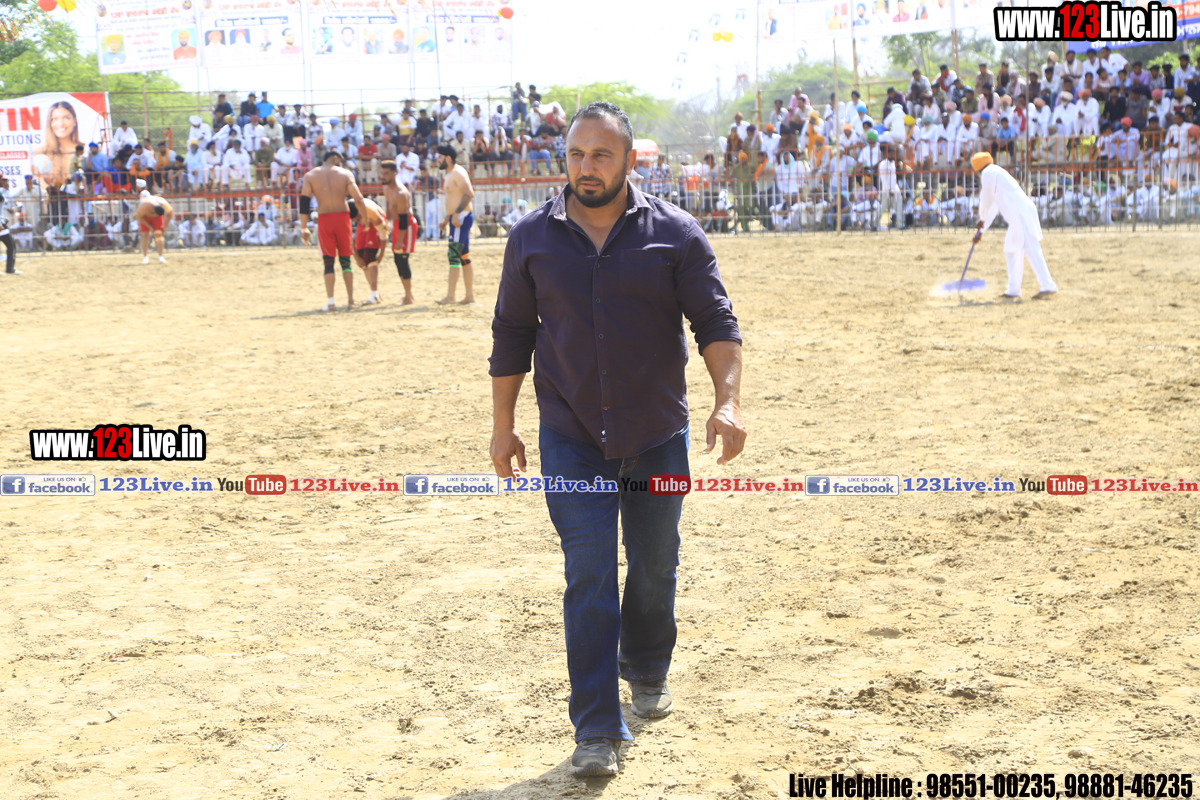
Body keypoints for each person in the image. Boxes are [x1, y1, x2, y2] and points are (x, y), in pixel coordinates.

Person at [488, 101, 745, 778]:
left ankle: (648, 665)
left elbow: (716, 323)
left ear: (630, 160)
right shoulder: (531, 238)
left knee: (655, 565)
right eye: (577, 154)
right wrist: (502, 424)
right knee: (590, 573)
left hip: (658, 433)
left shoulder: (676, 234)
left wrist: (727, 402)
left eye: (601, 155)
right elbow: (511, 334)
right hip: (570, 436)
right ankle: (597, 729)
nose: (587, 167)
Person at [971, 152, 1057, 300]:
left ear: (977, 168)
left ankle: (1048, 285)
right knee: (1011, 249)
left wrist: (981, 218)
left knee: (1032, 249)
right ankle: (1013, 290)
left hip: (1021, 213)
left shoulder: (988, 173)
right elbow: (993, 205)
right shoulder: (995, 173)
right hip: (1019, 216)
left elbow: (986, 199)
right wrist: (982, 229)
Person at [300, 150, 368, 311]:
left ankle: (331, 302)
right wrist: (365, 217)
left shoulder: (310, 176)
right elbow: (358, 199)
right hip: (342, 218)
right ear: (336, 159)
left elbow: (304, 203)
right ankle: (350, 301)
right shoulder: (345, 174)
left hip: (325, 219)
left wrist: (303, 227)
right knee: (346, 261)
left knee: (328, 262)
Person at [435, 144, 475, 305]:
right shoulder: (450, 173)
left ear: (448, 158)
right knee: (464, 257)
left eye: (440, 157)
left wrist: (456, 214)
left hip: (461, 218)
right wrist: (447, 218)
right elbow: (455, 198)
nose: (438, 160)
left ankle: (451, 296)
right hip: (457, 218)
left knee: (453, 255)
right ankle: (469, 296)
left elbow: (469, 193)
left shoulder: (457, 172)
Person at [380, 160, 417, 304]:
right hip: (397, 224)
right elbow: (389, 203)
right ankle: (408, 295)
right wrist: (387, 220)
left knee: (403, 259)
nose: (383, 176)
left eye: (386, 173)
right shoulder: (386, 188)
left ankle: (409, 296)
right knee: (397, 259)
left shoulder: (401, 192)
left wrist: (400, 240)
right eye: (382, 173)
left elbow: (403, 219)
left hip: (406, 226)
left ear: (394, 174)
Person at [36, 100, 82, 189]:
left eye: (66, 118)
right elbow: (41, 187)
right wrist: (44, 178)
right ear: (50, 123)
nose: (61, 123)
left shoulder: (85, 150)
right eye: (55, 119)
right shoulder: (41, 153)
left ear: (74, 121)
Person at [351, 196, 389, 305]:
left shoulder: (373, 215)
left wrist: (381, 254)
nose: (356, 221)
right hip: (365, 217)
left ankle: (374, 294)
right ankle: (375, 293)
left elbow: (383, 233)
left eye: (358, 219)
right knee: (361, 256)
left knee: (369, 255)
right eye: (355, 220)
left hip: (374, 220)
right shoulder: (348, 211)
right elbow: (348, 236)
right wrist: (357, 258)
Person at [135, 192, 174, 264]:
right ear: (152, 211)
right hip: (144, 217)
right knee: (145, 235)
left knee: (159, 235)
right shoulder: (143, 207)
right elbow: (140, 217)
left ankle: (161, 257)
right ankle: (145, 257)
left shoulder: (163, 204)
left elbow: (170, 213)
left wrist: (165, 226)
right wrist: (150, 227)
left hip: (157, 218)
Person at [0, 175, 19, 274]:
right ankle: (10, 269)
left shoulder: (4, 192)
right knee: (11, 244)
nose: (5, 182)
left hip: (2, 222)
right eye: (3, 180)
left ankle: (10, 269)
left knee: (11, 244)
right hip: (0, 223)